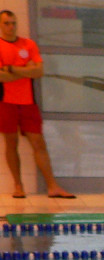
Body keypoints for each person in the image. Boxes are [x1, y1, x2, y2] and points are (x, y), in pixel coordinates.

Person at [0, 10, 75, 200]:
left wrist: (11, 68)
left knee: (38, 143)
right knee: (11, 143)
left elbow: (39, 71)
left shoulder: (28, 44)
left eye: (13, 23)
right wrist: (26, 70)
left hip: (28, 102)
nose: (11, 27)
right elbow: (1, 76)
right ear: (1, 25)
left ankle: (52, 186)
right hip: (6, 101)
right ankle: (18, 185)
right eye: (7, 23)